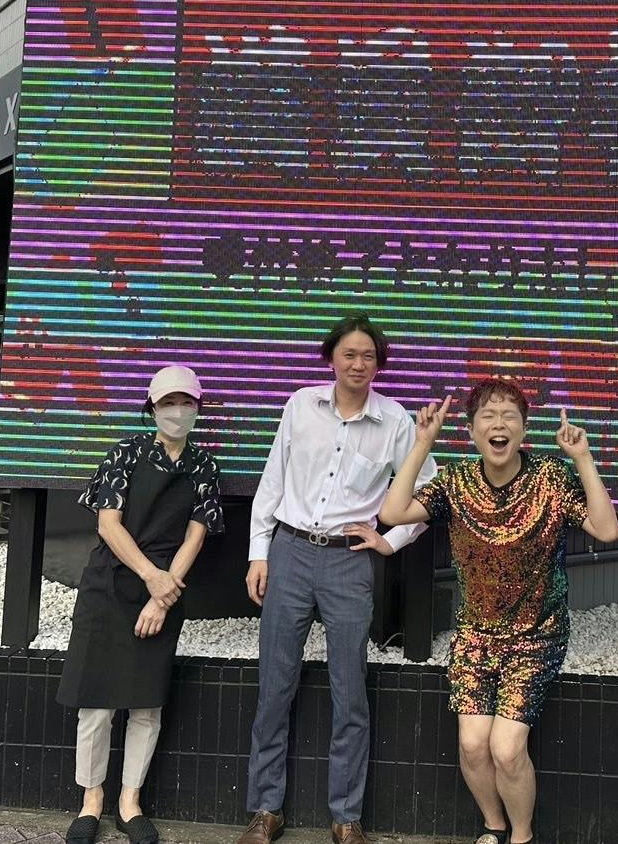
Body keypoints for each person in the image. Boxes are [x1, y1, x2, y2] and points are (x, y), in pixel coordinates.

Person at [380, 379, 618, 844]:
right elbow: (393, 513)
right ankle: (493, 826)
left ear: (524, 429)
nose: (499, 424)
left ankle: (522, 836)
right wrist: (422, 444)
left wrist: (583, 459)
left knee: (506, 749)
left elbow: (607, 530)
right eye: (488, 416)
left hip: (538, 635)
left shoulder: (550, 478)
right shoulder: (456, 482)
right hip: (475, 636)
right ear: (471, 430)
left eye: (510, 416)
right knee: (473, 745)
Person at [239, 315, 437, 844]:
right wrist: (259, 553)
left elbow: (428, 495)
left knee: (350, 691)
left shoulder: (395, 421)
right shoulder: (300, 405)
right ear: (331, 358)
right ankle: (265, 811)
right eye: (349, 354)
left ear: (379, 364)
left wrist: (389, 541)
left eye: (368, 356)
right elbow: (273, 480)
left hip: (349, 562)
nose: (358, 364)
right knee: (274, 686)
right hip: (290, 552)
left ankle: (346, 817)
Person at [57, 365, 224, 844]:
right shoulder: (126, 453)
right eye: (169, 403)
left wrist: (164, 594)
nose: (178, 411)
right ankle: (91, 800)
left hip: (166, 590)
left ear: (198, 408)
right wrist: (152, 577)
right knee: (96, 704)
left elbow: (196, 536)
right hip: (110, 584)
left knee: (146, 703)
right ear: (151, 408)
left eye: (187, 402)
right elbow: (108, 524)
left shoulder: (204, 466)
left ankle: (130, 802)